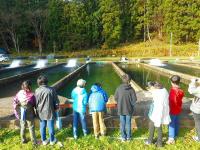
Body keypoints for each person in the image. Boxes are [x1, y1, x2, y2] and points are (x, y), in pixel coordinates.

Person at [35, 75, 60, 146]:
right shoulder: (51, 89)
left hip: (40, 112)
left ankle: (44, 140)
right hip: (50, 111)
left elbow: (36, 102)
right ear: (46, 81)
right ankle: (52, 140)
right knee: (50, 126)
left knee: (42, 126)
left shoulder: (37, 90)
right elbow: (56, 101)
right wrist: (57, 108)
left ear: (39, 82)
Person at [145, 81, 171, 147]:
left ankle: (158, 144)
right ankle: (151, 141)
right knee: (154, 126)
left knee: (158, 127)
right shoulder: (164, 91)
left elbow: (151, 94)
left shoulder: (156, 93)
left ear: (156, 88)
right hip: (161, 112)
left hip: (157, 113)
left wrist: (151, 90)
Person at [13, 80, 37, 145]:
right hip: (30, 113)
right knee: (31, 127)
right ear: (30, 86)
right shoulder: (31, 95)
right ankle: (34, 142)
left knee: (23, 126)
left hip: (22, 112)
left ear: (22, 86)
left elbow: (15, 101)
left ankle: (23, 140)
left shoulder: (19, 93)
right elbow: (35, 104)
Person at [114, 74, 137, 142]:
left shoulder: (118, 88)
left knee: (122, 123)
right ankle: (129, 137)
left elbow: (115, 98)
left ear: (122, 80)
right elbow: (134, 100)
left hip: (121, 109)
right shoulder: (131, 89)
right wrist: (132, 106)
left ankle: (123, 137)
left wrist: (120, 102)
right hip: (129, 109)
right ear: (129, 81)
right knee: (128, 123)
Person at [167, 75, 184, 144]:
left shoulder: (173, 91)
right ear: (179, 82)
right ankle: (176, 134)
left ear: (171, 82)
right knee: (176, 122)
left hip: (172, 110)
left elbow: (172, 100)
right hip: (178, 109)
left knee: (171, 124)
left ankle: (171, 138)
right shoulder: (181, 90)